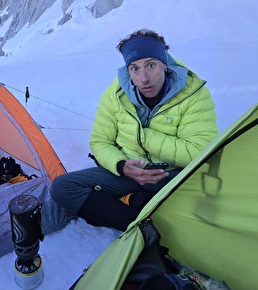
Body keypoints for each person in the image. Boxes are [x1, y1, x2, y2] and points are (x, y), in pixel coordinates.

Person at [50, 29, 218, 231]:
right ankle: (143, 227)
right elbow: (100, 141)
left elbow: (200, 151)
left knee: (213, 204)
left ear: (164, 64)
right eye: (135, 68)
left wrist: (142, 136)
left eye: (151, 65)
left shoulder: (192, 94)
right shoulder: (116, 95)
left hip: (172, 175)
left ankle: (140, 205)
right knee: (62, 187)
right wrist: (122, 166)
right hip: (128, 173)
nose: (143, 78)